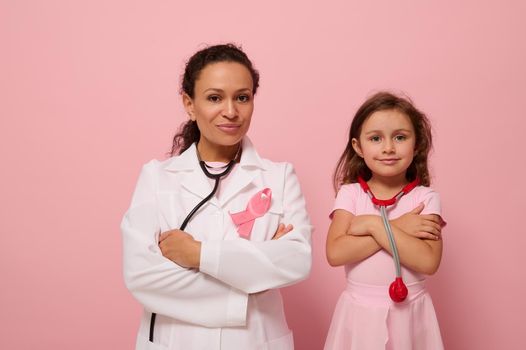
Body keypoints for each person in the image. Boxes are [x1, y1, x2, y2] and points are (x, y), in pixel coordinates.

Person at [121, 44, 312, 350]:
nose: (231, 111)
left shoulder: (280, 176)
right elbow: (142, 276)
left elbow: (296, 261)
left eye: (242, 97)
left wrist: (198, 254)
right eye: (214, 98)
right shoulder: (157, 178)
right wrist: (250, 283)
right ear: (189, 104)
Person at [324, 92, 445, 349]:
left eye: (400, 137)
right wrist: (399, 227)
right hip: (359, 314)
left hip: (411, 314)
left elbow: (428, 261)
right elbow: (335, 253)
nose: (388, 148)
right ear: (358, 147)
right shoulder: (351, 194)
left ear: (417, 144)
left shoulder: (425, 198)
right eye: (376, 138)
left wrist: (373, 224)